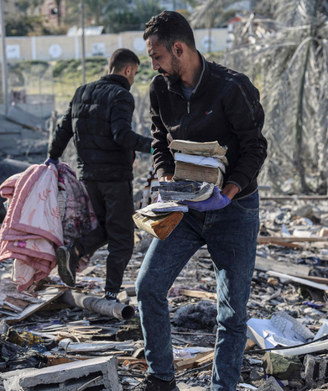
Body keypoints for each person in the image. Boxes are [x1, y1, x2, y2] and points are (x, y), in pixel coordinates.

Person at [136, 11, 267, 391]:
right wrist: (166, 179)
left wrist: (227, 194)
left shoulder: (232, 87)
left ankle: (221, 387)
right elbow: (159, 139)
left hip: (234, 210)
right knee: (148, 287)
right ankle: (160, 378)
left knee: (231, 311)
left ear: (179, 49)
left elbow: (256, 148)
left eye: (157, 56)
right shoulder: (159, 89)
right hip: (186, 209)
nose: (154, 65)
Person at [47, 48, 153, 301]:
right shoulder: (121, 96)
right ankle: (111, 293)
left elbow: (63, 129)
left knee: (106, 228)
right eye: (135, 73)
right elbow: (122, 136)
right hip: (115, 177)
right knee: (124, 238)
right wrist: (155, 145)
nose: (134, 79)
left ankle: (74, 250)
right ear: (128, 70)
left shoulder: (81, 92)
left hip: (88, 177)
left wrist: (52, 157)